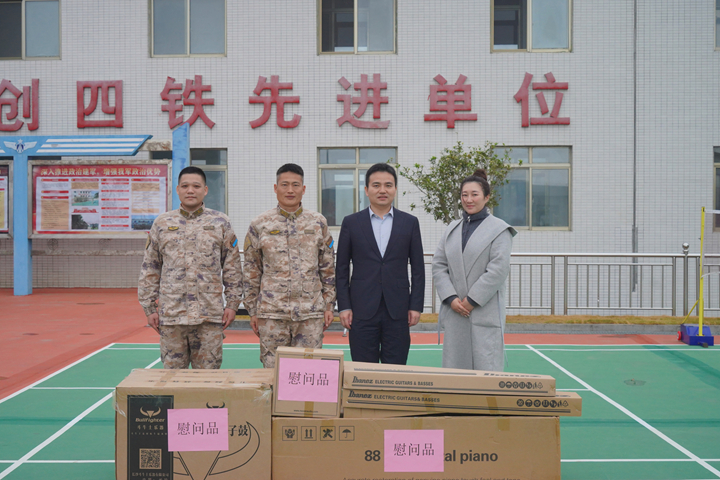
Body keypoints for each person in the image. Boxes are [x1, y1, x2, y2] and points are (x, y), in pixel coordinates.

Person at [138, 166, 243, 369]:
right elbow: (150, 268)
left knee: (208, 377)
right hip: (172, 317)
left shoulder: (220, 222)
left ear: (205, 190)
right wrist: (149, 308)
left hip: (209, 317)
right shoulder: (162, 223)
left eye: (196, 186)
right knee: (173, 377)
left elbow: (232, 267)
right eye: (185, 186)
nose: (190, 191)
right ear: (178, 189)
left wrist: (232, 304)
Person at [243, 163, 336, 368]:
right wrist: (252, 310)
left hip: (310, 313)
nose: (290, 190)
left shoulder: (318, 222)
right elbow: (251, 270)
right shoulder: (260, 224)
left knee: (308, 371)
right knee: (273, 371)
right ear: (275, 188)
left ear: (304, 189)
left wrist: (329, 305)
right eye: (284, 185)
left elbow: (327, 267)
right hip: (272, 313)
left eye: (295, 185)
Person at [336, 163, 425, 365]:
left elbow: (418, 269)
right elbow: (341, 269)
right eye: (376, 185)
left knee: (395, 368)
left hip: (398, 309)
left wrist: (415, 306)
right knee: (363, 369)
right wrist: (344, 306)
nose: (382, 190)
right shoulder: (351, 222)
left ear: (395, 189)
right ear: (366, 190)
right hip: (361, 309)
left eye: (388, 185)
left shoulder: (409, 222)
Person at [432, 168, 517, 371]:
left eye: (474, 194)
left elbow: (498, 270)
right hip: (455, 311)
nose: (469, 200)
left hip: (483, 310)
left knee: (485, 370)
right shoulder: (452, 229)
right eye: (464, 195)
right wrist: (451, 298)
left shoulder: (500, 230)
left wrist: (471, 301)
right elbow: (439, 265)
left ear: (487, 197)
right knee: (455, 371)